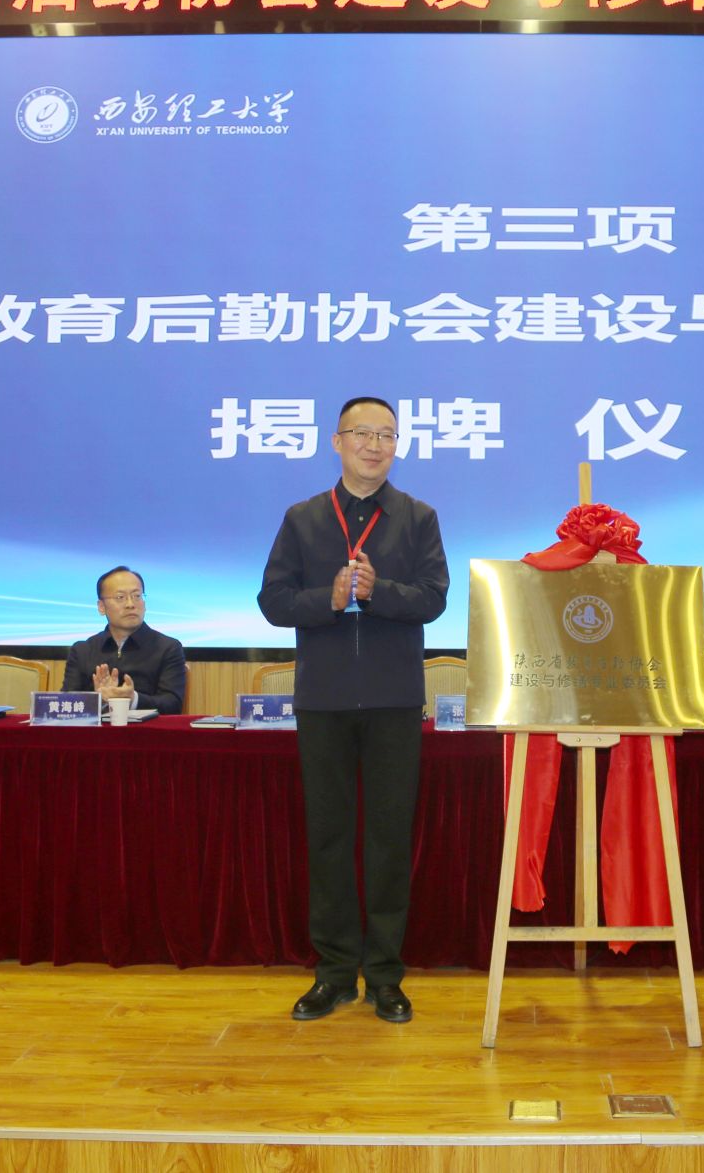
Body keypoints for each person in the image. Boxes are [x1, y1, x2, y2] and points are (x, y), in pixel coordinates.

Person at [257, 396, 447, 1025]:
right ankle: (334, 974)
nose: (375, 444)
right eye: (362, 433)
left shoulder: (418, 516)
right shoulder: (303, 518)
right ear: (336, 442)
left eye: (387, 435)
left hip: (395, 700)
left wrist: (377, 590)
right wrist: (330, 599)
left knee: (390, 840)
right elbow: (273, 601)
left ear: (397, 446)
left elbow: (435, 598)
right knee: (330, 837)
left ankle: (386, 977)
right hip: (325, 700)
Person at [61, 565, 185, 714]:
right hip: (96, 729)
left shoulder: (168, 648)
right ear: (101, 607)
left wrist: (133, 699)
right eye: (120, 597)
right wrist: (99, 700)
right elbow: (64, 704)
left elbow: (173, 704)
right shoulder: (82, 650)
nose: (130, 604)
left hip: (147, 728)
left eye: (137, 596)